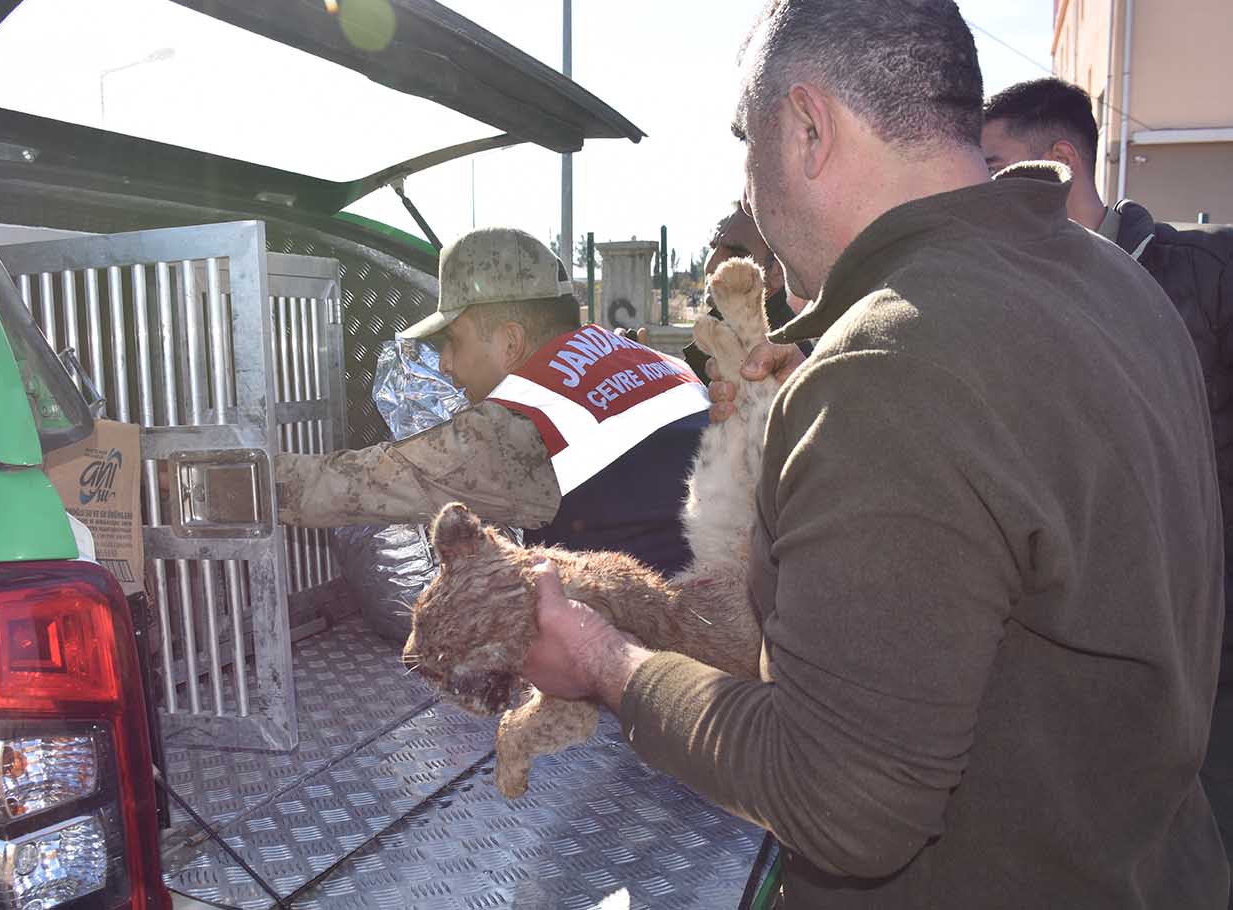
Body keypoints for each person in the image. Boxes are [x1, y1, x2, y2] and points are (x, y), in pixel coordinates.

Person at [520, 1, 1229, 906]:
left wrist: (605, 665)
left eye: (748, 143)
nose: (748, 195)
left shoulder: (890, 366)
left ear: (809, 129)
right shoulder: (1114, 281)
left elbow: (840, 802)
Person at [983, 75, 1233, 880]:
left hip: (1215, 652)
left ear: (1058, 164)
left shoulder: (1204, 274)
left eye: (993, 168)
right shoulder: (1010, 304)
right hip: (1107, 671)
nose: (974, 192)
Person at [275, 226, 712, 577]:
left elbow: (356, 485)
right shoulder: (655, 362)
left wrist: (234, 477)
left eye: (453, 341)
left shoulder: (523, 424)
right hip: (725, 615)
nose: (444, 364)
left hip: (650, 652)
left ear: (510, 341)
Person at [681, 204, 811, 379]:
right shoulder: (725, 329)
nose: (712, 265)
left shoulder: (786, 359)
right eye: (713, 247)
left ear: (777, 271)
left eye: (735, 253)